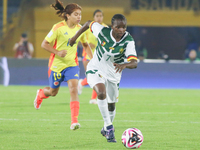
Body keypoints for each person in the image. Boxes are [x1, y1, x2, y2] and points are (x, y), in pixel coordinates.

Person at [70, 14, 138, 142]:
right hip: (95, 68)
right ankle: (109, 127)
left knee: (111, 106)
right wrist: (74, 38)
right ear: (112, 27)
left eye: (124, 27)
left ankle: (105, 128)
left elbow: (134, 62)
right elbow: (87, 23)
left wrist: (124, 65)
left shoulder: (128, 40)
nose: (121, 30)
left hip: (114, 75)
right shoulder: (102, 31)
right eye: (118, 27)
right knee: (101, 92)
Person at [33, 0, 93, 130]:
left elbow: (86, 45)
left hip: (72, 65)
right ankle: (41, 93)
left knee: (73, 89)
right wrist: (57, 52)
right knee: (53, 92)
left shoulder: (80, 29)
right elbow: (44, 44)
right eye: (76, 14)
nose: (79, 17)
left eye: (80, 15)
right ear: (68, 15)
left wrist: (93, 60)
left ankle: (74, 121)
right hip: (57, 65)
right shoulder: (58, 28)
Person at [78, 9, 108, 104]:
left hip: (99, 57)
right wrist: (86, 44)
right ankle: (82, 84)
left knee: (97, 77)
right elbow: (78, 39)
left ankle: (92, 97)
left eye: (101, 16)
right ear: (94, 17)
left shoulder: (105, 28)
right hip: (87, 55)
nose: (99, 18)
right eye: (97, 16)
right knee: (94, 77)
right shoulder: (89, 27)